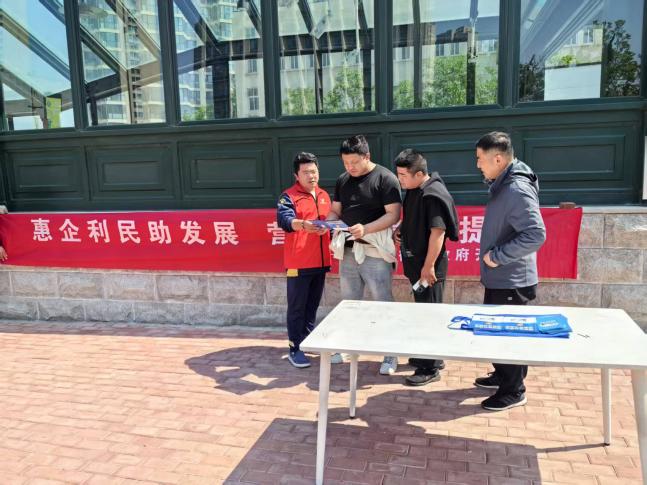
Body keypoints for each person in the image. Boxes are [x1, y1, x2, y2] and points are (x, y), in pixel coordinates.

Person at [473, 131, 546, 411]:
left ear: (498, 159)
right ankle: (503, 375)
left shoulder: (516, 189)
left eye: (480, 159)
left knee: (507, 336)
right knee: (499, 333)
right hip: (502, 277)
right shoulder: (503, 183)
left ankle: (513, 390)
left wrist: (498, 256)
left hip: (511, 279)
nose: (478, 165)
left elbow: (535, 234)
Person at [327, 135, 402, 375]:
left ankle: (390, 354)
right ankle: (347, 347)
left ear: (367, 156)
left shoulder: (385, 178)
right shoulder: (343, 180)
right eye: (345, 162)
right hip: (348, 249)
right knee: (349, 302)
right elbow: (336, 210)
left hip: (374, 250)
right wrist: (327, 223)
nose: (350, 167)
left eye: (354, 162)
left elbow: (393, 214)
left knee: (383, 301)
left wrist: (366, 229)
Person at [393, 149, 458, 386]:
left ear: (419, 174)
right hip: (417, 263)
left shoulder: (432, 195)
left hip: (429, 267)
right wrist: (401, 229)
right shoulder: (414, 190)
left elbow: (438, 232)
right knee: (423, 312)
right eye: (398, 174)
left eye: (403, 175)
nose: (400, 179)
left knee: (429, 315)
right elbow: (412, 217)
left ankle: (429, 368)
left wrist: (428, 266)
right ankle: (431, 356)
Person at [277, 152, 331, 368]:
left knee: (312, 305)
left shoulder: (324, 195)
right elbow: (284, 220)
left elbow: (331, 220)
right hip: (298, 263)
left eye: (314, 171)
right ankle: (294, 348)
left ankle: (307, 340)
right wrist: (302, 224)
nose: (311, 176)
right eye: (306, 172)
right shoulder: (288, 196)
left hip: (321, 262)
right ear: (296, 175)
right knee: (297, 307)